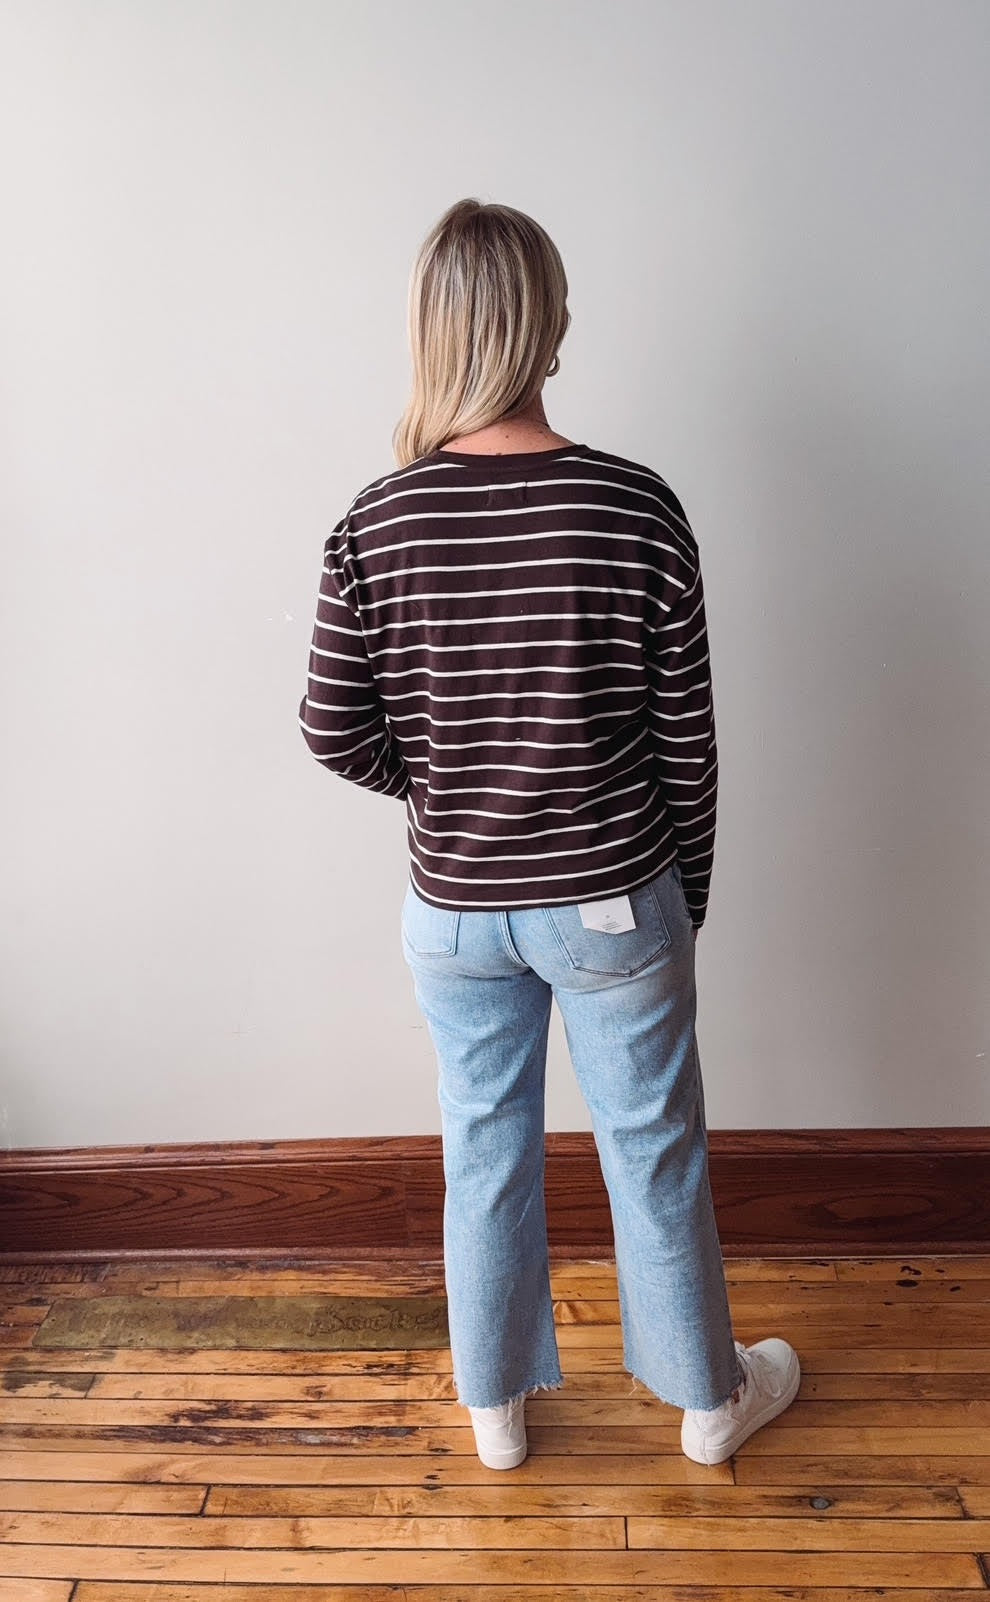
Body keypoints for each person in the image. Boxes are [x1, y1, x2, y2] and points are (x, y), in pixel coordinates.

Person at [299, 197, 800, 1470]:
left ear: (432, 331)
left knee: (484, 1148)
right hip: (613, 899)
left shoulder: (375, 521)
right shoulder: (633, 507)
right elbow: (686, 738)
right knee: (654, 1146)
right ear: (549, 323)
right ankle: (705, 1404)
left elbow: (329, 729)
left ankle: (496, 1410)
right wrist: (687, 898)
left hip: (454, 907)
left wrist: (444, 793)